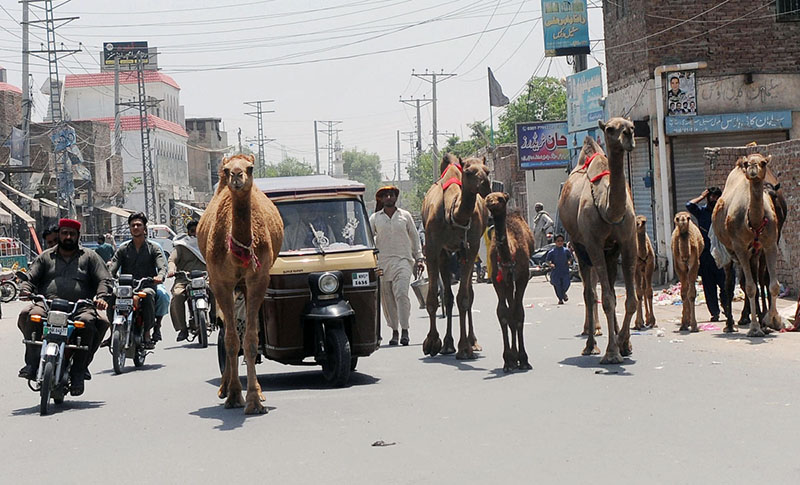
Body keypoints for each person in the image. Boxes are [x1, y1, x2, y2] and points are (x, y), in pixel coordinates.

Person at [17, 218, 112, 396]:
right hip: (48, 305)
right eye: (64, 233)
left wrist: (101, 297)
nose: (68, 236)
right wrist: (25, 289)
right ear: (59, 234)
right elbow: (30, 278)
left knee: (91, 322)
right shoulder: (46, 256)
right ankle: (32, 363)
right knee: (32, 315)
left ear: (78, 236)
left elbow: (103, 279)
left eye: (72, 234)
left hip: (80, 307)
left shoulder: (90, 256)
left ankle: (79, 371)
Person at [369, 185, 424, 346]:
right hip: (382, 264)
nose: (388, 198)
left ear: (395, 197)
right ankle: (394, 331)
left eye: (391, 195)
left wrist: (419, 258)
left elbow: (415, 238)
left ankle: (405, 330)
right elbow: (368, 239)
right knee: (387, 299)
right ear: (381, 199)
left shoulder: (405, 216)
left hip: (403, 261)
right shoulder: (375, 218)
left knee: (401, 294)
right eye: (385, 195)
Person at [108, 212, 167, 347]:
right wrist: (108, 276)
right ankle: (113, 332)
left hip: (146, 285)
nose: (135, 227)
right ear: (129, 228)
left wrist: (160, 276)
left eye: (139, 225)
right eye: (133, 225)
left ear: (144, 228)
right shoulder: (123, 248)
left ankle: (147, 332)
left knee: (148, 296)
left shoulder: (154, 248)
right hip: (126, 287)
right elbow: (114, 265)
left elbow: (161, 265)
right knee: (111, 296)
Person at [686, 187, 726, 321]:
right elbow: (689, 205)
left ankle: (727, 308)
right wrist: (701, 196)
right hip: (706, 256)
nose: (714, 199)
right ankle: (715, 313)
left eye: (716, 197)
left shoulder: (722, 212)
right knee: (709, 287)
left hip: (721, 255)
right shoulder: (702, 212)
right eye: (711, 197)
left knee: (725, 284)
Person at [167, 220, 207, 341]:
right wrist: (171, 269)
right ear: (188, 233)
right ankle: (182, 329)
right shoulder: (182, 246)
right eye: (192, 231)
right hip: (184, 279)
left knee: (219, 292)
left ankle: (217, 319)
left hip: (205, 278)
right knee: (177, 295)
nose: (195, 234)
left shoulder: (207, 244)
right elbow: (172, 260)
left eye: (198, 231)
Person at [545, 234, 573, 305]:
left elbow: (570, 258)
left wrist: (569, 262)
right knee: (557, 286)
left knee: (566, 284)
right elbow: (547, 261)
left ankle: (563, 294)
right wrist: (551, 264)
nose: (560, 242)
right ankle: (560, 299)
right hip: (556, 272)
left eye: (561, 241)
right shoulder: (552, 252)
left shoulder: (566, 251)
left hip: (564, 271)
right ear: (555, 242)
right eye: (558, 241)